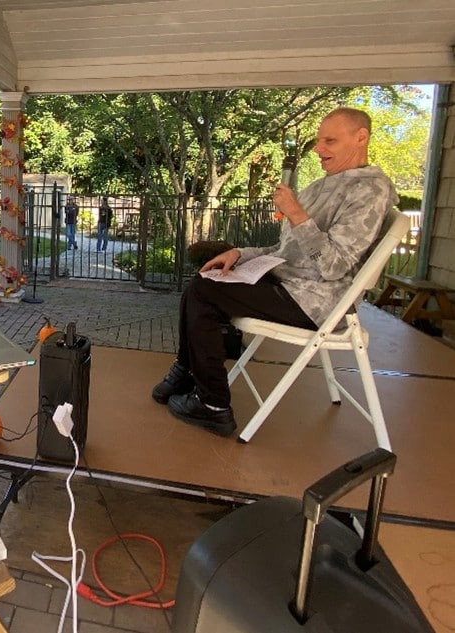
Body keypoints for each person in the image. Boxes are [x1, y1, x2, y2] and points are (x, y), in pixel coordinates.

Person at [151, 107, 399, 438]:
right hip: (290, 283)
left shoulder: (370, 190)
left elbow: (334, 265)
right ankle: (188, 369)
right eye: (318, 139)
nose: (319, 148)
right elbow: (286, 250)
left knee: (205, 291)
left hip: (317, 301)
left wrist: (296, 212)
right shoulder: (321, 186)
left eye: (330, 140)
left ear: (361, 138)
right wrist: (239, 253)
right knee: (207, 277)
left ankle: (212, 405)